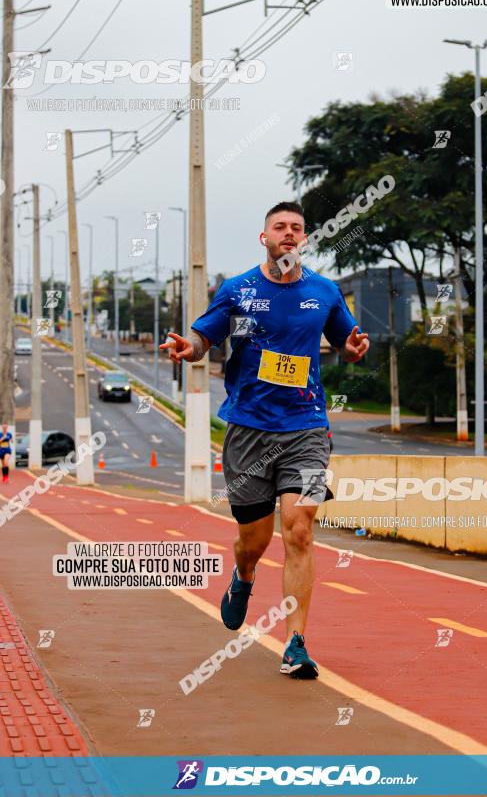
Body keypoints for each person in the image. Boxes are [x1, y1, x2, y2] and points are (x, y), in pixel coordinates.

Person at [160, 201, 369, 679]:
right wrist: (184, 349)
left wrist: (354, 350)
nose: (290, 234)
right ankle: (244, 576)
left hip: (309, 428)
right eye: (281, 227)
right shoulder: (237, 290)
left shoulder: (325, 291)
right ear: (265, 238)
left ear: (306, 238)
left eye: (298, 227)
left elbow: (346, 342)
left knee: (300, 525)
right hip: (249, 431)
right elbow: (201, 341)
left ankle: (296, 642)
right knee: (252, 541)